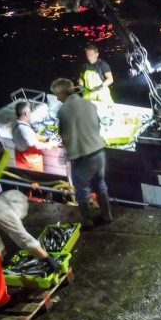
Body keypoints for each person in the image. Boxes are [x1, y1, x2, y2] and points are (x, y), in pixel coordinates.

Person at [50, 77, 113, 229]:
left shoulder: (63, 110)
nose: (57, 98)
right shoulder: (88, 104)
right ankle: (107, 216)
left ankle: (88, 221)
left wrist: (68, 153)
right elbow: (97, 125)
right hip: (99, 152)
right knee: (100, 184)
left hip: (83, 156)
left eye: (57, 95)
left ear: (62, 93)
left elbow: (65, 135)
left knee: (82, 190)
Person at [12, 101, 56, 171]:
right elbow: (37, 146)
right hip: (31, 165)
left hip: (21, 162)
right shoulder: (24, 129)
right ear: (26, 114)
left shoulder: (16, 125)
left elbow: (26, 140)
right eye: (30, 112)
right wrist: (50, 144)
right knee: (35, 178)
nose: (30, 114)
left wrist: (40, 138)